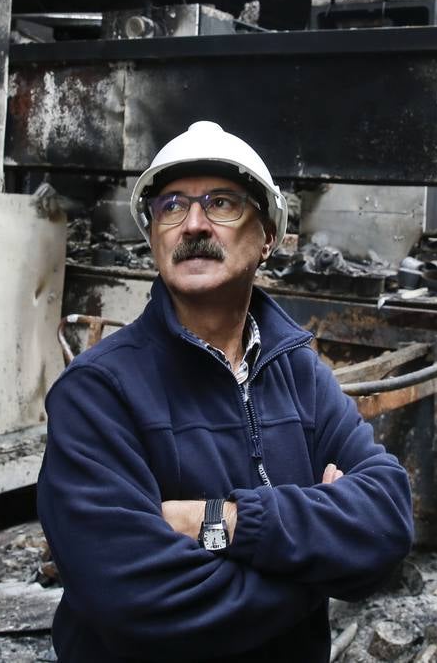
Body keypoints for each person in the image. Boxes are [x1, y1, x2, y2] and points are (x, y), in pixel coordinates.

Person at [37, 121, 415, 662]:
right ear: (153, 240)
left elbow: (388, 522)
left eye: (221, 203)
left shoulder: (300, 374)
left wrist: (220, 521)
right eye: (171, 206)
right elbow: (138, 602)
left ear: (266, 237)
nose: (193, 224)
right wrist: (322, 566)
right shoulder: (97, 394)